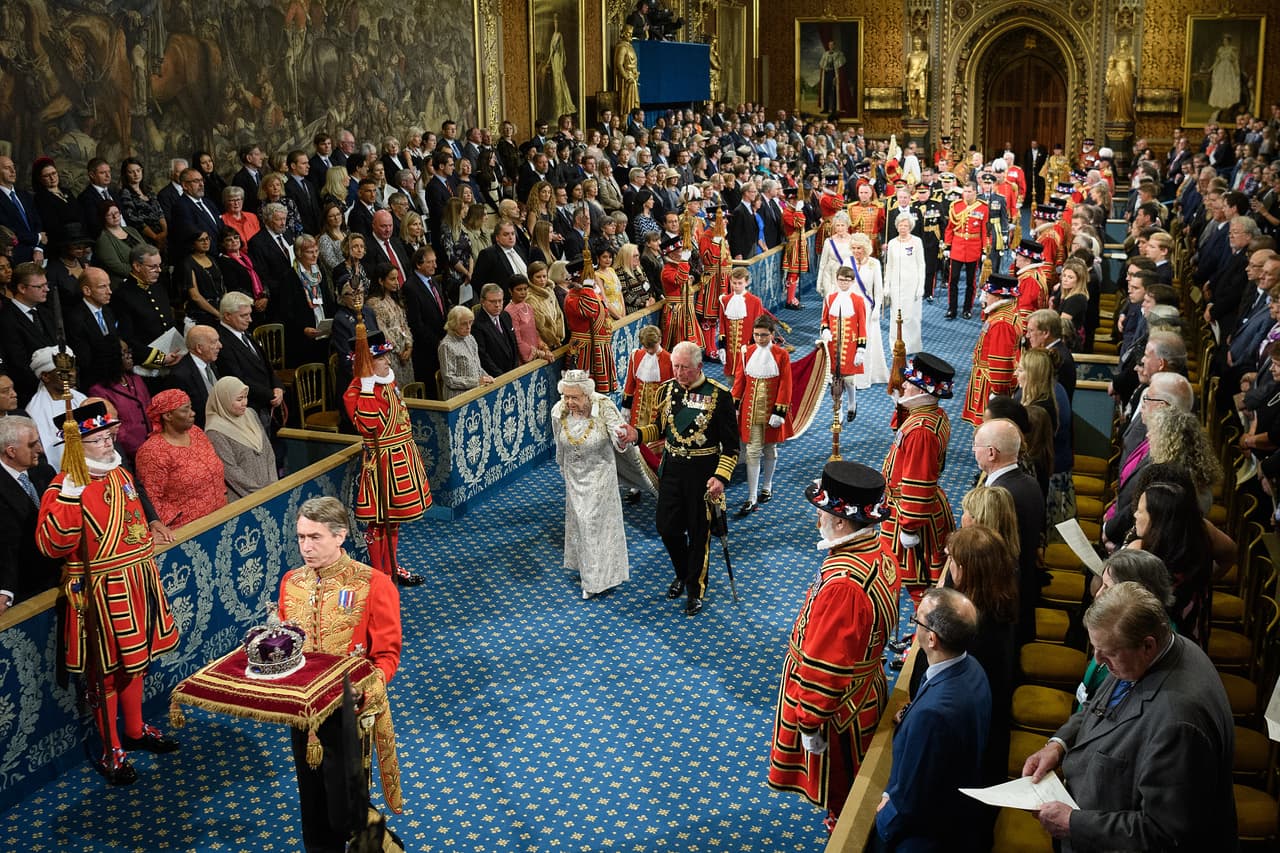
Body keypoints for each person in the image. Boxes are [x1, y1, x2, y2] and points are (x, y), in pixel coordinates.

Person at [1023, 582, 1236, 850]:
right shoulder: (1147, 652)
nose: (1098, 660)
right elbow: (1098, 705)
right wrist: (1058, 745)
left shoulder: (1178, 723)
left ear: (1147, 646)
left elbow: (1162, 832)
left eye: (1108, 653)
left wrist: (1072, 823)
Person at [36, 401, 181, 785]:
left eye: (107, 436)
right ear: (76, 445)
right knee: (106, 673)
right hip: (100, 592)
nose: (107, 444)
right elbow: (52, 544)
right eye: (98, 439)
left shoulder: (120, 474)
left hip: (137, 581)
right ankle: (111, 748)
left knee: (137, 662)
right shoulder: (62, 488)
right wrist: (70, 499)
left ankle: (134, 730)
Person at [767, 461, 900, 831]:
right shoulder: (878, 550)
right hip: (864, 691)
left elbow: (827, 666)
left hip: (840, 713)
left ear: (841, 522)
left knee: (844, 798)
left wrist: (809, 723)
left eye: (823, 511)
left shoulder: (843, 585)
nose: (818, 518)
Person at [279, 496, 402, 851]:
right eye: (301, 537)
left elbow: (387, 654)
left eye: (315, 537)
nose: (306, 547)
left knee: (346, 808)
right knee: (312, 804)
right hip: (303, 713)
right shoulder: (291, 582)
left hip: (350, 711)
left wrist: (368, 689)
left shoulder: (373, 583)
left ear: (340, 536)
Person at [620, 341, 738, 616]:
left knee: (699, 535)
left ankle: (695, 589)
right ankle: (683, 573)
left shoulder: (719, 396)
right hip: (672, 470)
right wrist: (637, 434)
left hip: (703, 474)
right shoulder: (667, 390)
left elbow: (732, 447)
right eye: (675, 366)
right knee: (667, 528)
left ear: (699, 366)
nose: (679, 372)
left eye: (685, 367)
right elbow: (659, 428)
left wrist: (721, 478)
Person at [874, 588, 990, 852]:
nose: (914, 625)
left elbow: (911, 799)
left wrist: (882, 820)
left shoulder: (931, 716)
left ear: (932, 639)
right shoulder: (972, 667)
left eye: (917, 620)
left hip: (925, 837)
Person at [343, 328, 432, 587]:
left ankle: (392, 566)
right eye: (382, 358)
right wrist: (366, 388)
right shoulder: (356, 391)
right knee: (378, 523)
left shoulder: (388, 382)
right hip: (381, 462)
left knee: (394, 521)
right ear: (367, 363)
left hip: (401, 455)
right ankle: (379, 574)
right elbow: (367, 425)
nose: (388, 362)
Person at [551, 370, 631, 599]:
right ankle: (589, 570)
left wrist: (621, 437)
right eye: (566, 396)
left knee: (593, 524)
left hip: (600, 475)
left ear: (587, 395)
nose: (569, 402)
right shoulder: (559, 410)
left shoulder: (604, 407)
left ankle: (594, 581)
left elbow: (621, 443)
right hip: (574, 477)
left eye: (574, 397)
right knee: (581, 524)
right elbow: (559, 443)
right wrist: (563, 470)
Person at [881, 354, 956, 591]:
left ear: (923, 390)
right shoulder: (932, 415)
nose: (903, 385)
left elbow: (918, 482)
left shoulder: (921, 431)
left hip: (913, 514)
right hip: (920, 508)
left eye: (910, 382)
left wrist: (908, 526)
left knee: (921, 586)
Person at [973, 418, 1046, 644]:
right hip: (1024, 590)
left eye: (976, 446)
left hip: (1003, 605)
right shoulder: (1030, 483)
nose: (973, 451)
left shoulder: (999, 497)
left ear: (991, 453)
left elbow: (987, 558)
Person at [134, 390, 227, 529]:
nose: (192, 413)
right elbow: (152, 498)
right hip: (189, 527)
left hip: (222, 514)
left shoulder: (196, 432)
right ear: (168, 416)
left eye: (191, 407)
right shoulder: (153, 451)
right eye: (185, 410)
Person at [732, 316, 792, 516]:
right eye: (756, 335)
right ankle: (751, 496)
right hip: (750, 413)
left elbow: (786, 384)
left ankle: (767, 485)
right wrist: (734, 405)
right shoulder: (746, 352)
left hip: (771, 413)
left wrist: (779, 411)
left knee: (770, 449)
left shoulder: (782, 355)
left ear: (772, 335)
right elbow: (740, 381)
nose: (759, 339)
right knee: (752, 451)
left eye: (764, 335)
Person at [0, 415, 61, 608]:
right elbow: (5, 545)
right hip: (24, 587)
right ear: (11, 451)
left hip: (60, 574)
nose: (40, 449)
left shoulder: (45, 472)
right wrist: (5, 590)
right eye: (32, 445)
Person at [204, 376, 277, 501]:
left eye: (245, 397)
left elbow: (268, 451)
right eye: (239, 399)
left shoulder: (250, 414)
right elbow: (230, 471)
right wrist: (260, 493)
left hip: (270, 490)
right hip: (243, 498)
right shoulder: (215, 431)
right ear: (225, 400)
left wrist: (273, 485)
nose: (245, 403)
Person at [961, 274, 1020, 426]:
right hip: (987, 378)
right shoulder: (1002, 313)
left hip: (990, 383)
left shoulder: (1002, 323)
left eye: (988, 293)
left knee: (988, 427)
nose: (985, 297)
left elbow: (1001, 361)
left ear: (998, 297)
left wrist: (997, 392)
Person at [821, 265, 869, 422]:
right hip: (833, 346)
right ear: (836, 280)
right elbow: (824, 320)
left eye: (847, 280)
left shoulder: (858, 300)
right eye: (841, 280)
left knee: (849, 380)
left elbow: (862, 326)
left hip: (850, 347)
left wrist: (861, 350)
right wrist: (825, 330)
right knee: (836, 381)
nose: (843, 283)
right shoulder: (830, 298)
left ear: (852, 282)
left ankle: (852, 403)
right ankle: (838, 411)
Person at [943, 182, 991, 320]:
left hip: (973, 248)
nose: (967, 194)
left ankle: (967, 309)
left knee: (971, 281)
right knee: (953, 280)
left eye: (970, 191)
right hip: (957, 247)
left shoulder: (983, 208)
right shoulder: (956, 206)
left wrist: (984, 250)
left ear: (975, 192)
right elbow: (950, 228)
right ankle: (952, 308)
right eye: (965, 191)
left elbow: (985, 231)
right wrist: (947, 246)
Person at [846, 233, 887, 388]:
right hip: (849, 307)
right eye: (854, 248)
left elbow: (879, 291)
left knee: (865, 342)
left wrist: (876, 309)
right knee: (850, 341)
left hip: (866, 308)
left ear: (866, 248)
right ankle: (849, 375)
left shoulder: (874, 263)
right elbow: (841, 285)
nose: (856, 251)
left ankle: (863, 378)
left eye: (859, 248)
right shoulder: (847, 262)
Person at [882, 212, 925, 353]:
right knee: (896, 315)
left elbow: (921, 265)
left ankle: (912, 346)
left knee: (912, 316)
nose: (903, 228)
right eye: (900, 225)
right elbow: (889, 266)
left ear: (910, 227)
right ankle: (895, 344)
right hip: (896, 285)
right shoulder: (892, 243)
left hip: (912, 284)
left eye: (905, 225)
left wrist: (921, 286)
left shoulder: (917, 242)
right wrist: (886, 285)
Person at [366, 264, 415, 388]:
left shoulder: (395, 299)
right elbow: (382, 331)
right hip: (391, 354)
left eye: (397, 278)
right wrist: (398, 351)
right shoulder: (374, 303)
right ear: (381, 281)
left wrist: (409, 346)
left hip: (405, 351)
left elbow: (404, 324)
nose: (396, 283)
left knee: (408, 387)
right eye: (392, 279)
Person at [621, 325, 673, 436]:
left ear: (660, 340)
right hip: (637, 412)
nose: (649, 351)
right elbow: (630, 384)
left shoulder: (670, 360)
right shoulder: (636, 356)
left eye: (652, 347)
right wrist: (626, 407)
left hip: (659, 413)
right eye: (646, 347)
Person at [439, 305, 493, 400]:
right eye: (464, 324)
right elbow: (450, 379)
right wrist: (476, 382)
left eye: (470, 322)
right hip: (457, 397)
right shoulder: (446, 346)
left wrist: (487, 377)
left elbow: (477, 367)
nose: (468, 327)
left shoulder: (470, 338)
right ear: (454, 324)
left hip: (476, 390)